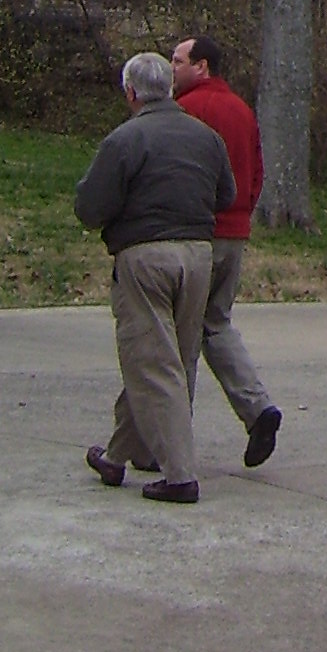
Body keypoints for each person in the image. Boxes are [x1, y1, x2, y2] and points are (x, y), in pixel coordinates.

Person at [74, 51, 233, 503]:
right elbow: (228, 193)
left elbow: (90, 208)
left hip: (145, 257)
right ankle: (116, 455)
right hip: (199, 257)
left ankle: (180, 476)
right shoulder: (207, 138)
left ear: (131, 93)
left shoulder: (125, 140)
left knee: (152, 363)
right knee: (172, 361)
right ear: (170, 88)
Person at [172, 33, 282, 468]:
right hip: (235, 232)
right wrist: (242, 215)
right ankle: (258, 409)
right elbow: (256, 172)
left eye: (178, 60)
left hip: (198, 233)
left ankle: (171, 433)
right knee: (216, 324)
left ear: (202, 66)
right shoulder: (241, 110)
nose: (172, 68)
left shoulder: (186, 112)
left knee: (182, 332)